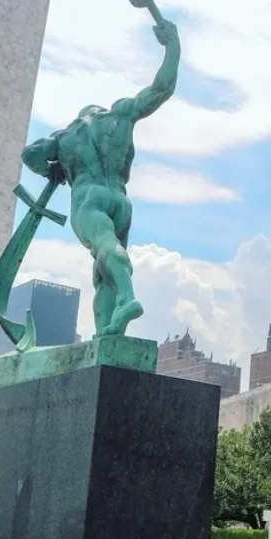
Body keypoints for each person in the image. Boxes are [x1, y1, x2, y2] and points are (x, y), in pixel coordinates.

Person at [21, 17, 180, 337]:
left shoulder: (66, 135)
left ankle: (127, 298)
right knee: (103, 274)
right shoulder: (121, 114)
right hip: (120, 200)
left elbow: (31, 154)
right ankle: (107, 335)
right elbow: (161, 89)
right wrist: (172, 47)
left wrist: (52, 169)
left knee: (105, 249)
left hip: (89, 197)